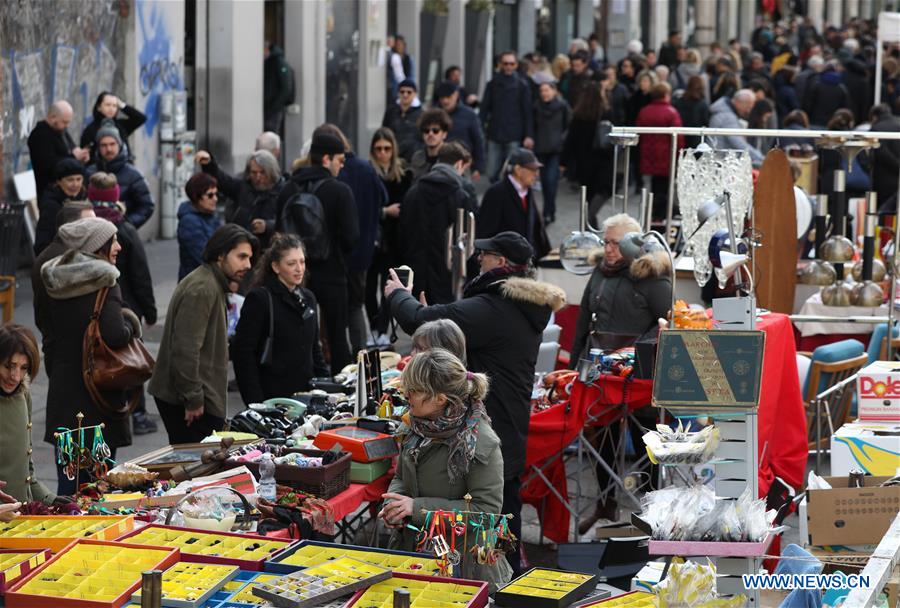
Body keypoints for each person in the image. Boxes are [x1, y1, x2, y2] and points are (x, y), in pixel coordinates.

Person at [385, 231, 566, 576]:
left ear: (500, 263)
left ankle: (509, 589)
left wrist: (398, 296)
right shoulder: (518, 307)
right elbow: (404, 476)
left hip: (492, 433)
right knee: (505, 528)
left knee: (498, 537)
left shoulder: (494, 307)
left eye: (485, 255)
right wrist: (399, 501)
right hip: (509, 423)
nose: (478, 260)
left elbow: (422, 319)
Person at [568, 214, 672, 531]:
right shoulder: (600, 273)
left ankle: (652, 507)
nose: (609, 249)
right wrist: (574, 366)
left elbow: (668, 322)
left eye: (615, 243)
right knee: (602, 439)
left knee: (646, 441)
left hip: (639, 373)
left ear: (632, 245)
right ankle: (606, 504)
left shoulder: (653, 278)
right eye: (606, 242)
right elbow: (584, 321)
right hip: (599, 368)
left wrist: (638, 352)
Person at [378, 349, 511, 588]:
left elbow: (487, 512)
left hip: (464, 568)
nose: (405, 394)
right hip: (414, 554)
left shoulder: (480, 442)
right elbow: (402, 476)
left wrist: (417, 509)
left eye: (414, 390)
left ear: (440, 399)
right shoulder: (415, 424)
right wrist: (394, 505)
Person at [41, 217, 142, 494]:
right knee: (97, 484)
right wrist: (131, 322)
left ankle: (65, 526)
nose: (119, 247)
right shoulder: (105, 281)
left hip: (64, 394)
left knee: (69, 476)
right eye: (113, 241)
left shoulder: (56, 279)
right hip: (96, 397)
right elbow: (115, 334)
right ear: (97, 246)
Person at [149, 225, 258, 444]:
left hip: (196, 398)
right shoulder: (202, 288)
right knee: (194, 470)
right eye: (241, 257)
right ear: (220, 255)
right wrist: (193, 399)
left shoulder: (212, 283)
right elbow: (185, 350)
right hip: (189, 402)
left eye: (249, 258)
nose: (248, 265)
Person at [276, 132, 359, 371]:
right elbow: (351, 237)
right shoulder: (340, 191)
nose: (342, 166)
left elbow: (280, 232)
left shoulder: (289, 187)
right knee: (337, 336)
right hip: (332, 273)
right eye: (340, 161)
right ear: (326, 159)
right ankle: (342, 389)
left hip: (294, 274)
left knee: (297, 333)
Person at [87, 172, 159, 436]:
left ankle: (107, 404)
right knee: (129, 361)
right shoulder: (124, 229)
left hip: (97, 310)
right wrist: (149, 310)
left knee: (103, 361)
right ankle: (138, 414)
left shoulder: (88, 230)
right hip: (125, 309)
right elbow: (141, 274)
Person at [232, 234, 329, 404]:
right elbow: (242, 353)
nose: (299, 268)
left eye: (302, 261)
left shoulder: (308, 297)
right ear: (276, 267)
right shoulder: (260, 299)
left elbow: (315, 349)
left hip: (307, 396)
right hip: (273, 398)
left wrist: (326, 387)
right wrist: (255, 402)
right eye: (291, 263)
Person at [319, 124, 387, 355]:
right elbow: (382, 199)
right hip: (361, 252)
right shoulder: (366, 168)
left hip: (336, 254)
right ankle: (359, 357)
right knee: (355, 306)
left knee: (335, 310)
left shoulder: (334, 173)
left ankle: (337, 357)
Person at [400, 141, 477, 305]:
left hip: (416, 276)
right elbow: (469, 241)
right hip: (449, 279)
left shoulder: (413, 192)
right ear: (458, 164)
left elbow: (403, 235)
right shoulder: (461, 196)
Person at [32, 202, 95, 377]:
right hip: (68, 352)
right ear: (71, 228)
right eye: (90, 224)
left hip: (62, 347)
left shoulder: (67, 253)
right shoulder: (62, 260)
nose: (95, 229)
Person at [0, 325, 57, 504]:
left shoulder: (23, 394)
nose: (15, 376)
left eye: (23, 368)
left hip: (21, 517)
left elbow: (27, 475)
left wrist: (51, 500)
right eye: (9, 366)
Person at [367, 128, 411, 344]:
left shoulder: (403, 174)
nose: (383, 153)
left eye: (387, 149)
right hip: (372, 238)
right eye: (378, 149)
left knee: (388, 285)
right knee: (368, 287)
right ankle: (375, 327)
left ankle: (382, 328)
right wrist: (384, 211)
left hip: (394, 240)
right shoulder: (369, 173)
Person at [196, 149, 286, 251]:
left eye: (262, 172)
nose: (258, 177)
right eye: (254, 172)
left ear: (271, 172)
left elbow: (289, 221)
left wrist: (268, 226)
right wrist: (209, 164)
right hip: (243, 246)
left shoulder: (283, 191)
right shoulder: (244, 187)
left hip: (271, 249)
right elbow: (223, 181)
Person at [477, 149, 550, 261]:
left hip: (526, 262)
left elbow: (536, 229)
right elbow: (486, 232)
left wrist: (547, 254)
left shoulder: (527, 190)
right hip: (505, 263)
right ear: (518, 170)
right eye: (532, 169)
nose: (536, 174)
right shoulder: (497, 192)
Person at [561, 82, 615, 228]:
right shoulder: (606, 114)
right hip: (603, 167)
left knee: (588, 209)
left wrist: (564, 163)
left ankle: (592, 239)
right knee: (591, 211)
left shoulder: (578, 117)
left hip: (585, 168)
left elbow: (570, 142)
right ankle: (594, 239)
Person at [86, 124, 155, 229]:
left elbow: (147, 206)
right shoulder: (89, 172)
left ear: (120, 144)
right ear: (98, 147)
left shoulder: (133, 174)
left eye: (112, 144)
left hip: (121, 235)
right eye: (104, 145)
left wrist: (127, 224)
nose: (108, 149)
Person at [480, 51, 535, 182]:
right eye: (505, 63)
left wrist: (529, 135)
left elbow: (527, 111)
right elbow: (484, 109)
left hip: (514, 132)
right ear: (500, 64)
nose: (508, 66)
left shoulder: (522, 85)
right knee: (492, 171)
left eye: (511, 63)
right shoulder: (492, 84)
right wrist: (479, 129)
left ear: (516, 65)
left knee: (512, 169)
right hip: (495, 131)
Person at [636, 83, 684, 220]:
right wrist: (680, 154)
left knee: (654, 187)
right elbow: (678, 137)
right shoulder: (671, 112)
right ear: (666, 95)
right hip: (666, 157)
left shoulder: (644, 111)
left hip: (649, 156)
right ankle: (661, 216)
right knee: (665, 188)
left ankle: (652, 214)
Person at [27, 100, 89, 197]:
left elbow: (71, 149)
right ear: (52, 117)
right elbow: (47, 165)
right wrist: (73, 157)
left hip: (68, 190)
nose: (66, 125)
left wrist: (81, 156)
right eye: (64, 122)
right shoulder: (40, 135)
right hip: (51, 192)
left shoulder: (60, 130)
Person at [533, 81, 570, 225]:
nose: (544, 93)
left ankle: (548, 211)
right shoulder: (536, 106)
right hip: (541, 149)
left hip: (556, 150)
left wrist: (562, 141)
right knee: (545, 182)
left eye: (547, 90)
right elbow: (532, 126)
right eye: (542, 91)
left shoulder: (563, 106)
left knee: (551, 181)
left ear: (554, 91)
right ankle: (548, 211)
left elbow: (568, 126)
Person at [34, 158, 87, 254]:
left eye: (79, 179)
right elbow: (43, 241)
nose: (75, 184)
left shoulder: (83, 198)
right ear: (59, 182)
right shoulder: (51, 206)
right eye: (70, 180)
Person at [177, 173, 222, 281]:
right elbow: (203, 256)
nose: (215, 199)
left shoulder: (211, 217)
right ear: (196, 197)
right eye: (210, 195)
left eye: (216, 194)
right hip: (196, 284)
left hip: (210, 280)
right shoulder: (189, 222)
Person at [436, 81, 486, 179]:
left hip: (462, 163)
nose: (445, 101)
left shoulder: (469, 115)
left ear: (456, 95)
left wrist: (478, 167)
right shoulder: (435, 114)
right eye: (442, 98)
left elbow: (478, 141)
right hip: (439, 162)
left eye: (448, 97)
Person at [79, 92, 146, 159]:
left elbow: (140, 119)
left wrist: (122, 105)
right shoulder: (90, 130)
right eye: (108, 105)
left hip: (123, 166)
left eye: (114, 106)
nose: (111, 109)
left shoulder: (121, 125)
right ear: (99, 107)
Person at [709, 89, 764, 163]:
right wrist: (761, 158)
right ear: (739, 102)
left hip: (718, 159)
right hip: (721, 162)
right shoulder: (728, 117)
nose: (748, 111)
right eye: (748, 107)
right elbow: (738, 143)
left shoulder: (724, 112)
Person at [382, 79, 423, 163]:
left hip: (413, 157)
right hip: (392, 156)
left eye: (409, 92)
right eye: (402, 92)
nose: (405, 95)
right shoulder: (391, 111)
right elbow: (384, 132)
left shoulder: (422, 114)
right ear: (398, 93)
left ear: (415, 94)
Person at [869, 104, 900, 208]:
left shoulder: (876, 129)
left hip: (883, 180)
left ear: (874, 116)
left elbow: (880, 153)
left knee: (885, 214)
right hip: (897, 178)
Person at [802, 61, 849, 128]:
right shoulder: (841, 88)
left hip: (815, 121)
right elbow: (845, 106)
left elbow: (808, 103)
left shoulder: (816, 85)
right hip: (833, 122)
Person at [410, 109, 450, 181]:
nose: (430, 134)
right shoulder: (417, 158)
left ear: (444, 134)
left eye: (435, 131)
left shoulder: (453, 157)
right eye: (426, 131)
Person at [264, 43, 294, 132]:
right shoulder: (270, 62)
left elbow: (286, 88)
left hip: (273, 108)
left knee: (271, 135)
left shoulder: (278, 63)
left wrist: (274, 106)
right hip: (270, 107)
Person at [674, 76, 710, 149]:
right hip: (697, 139)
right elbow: (706, 122)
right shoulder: (703, 104)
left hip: (682, 137)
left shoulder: (679, 102)